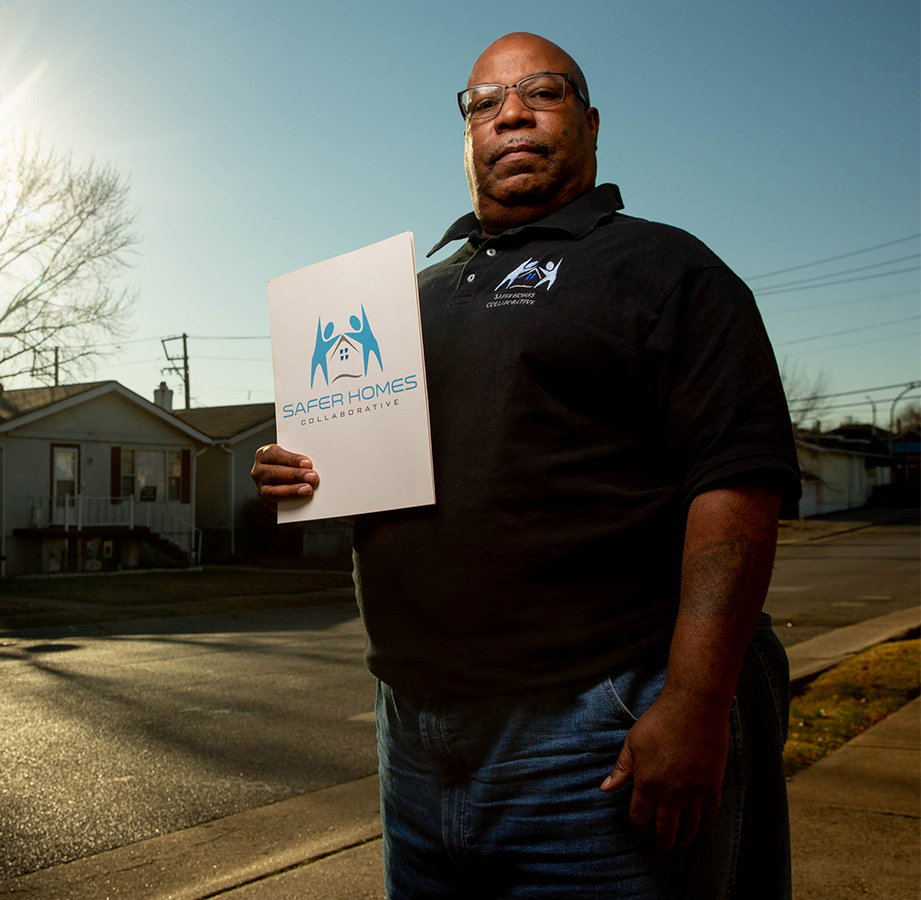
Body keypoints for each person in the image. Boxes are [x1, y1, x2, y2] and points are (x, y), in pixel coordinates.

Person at [252, 32, 800, 900]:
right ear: (466, 134)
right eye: (483, 103)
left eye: (540, 93)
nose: (510, 113)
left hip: (595, 730)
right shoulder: (404, 303)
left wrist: (696, 706)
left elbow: (737, 488)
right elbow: (395, 482)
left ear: (588, 120)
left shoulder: (666, 269)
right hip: (415, 737)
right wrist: (306, 478)